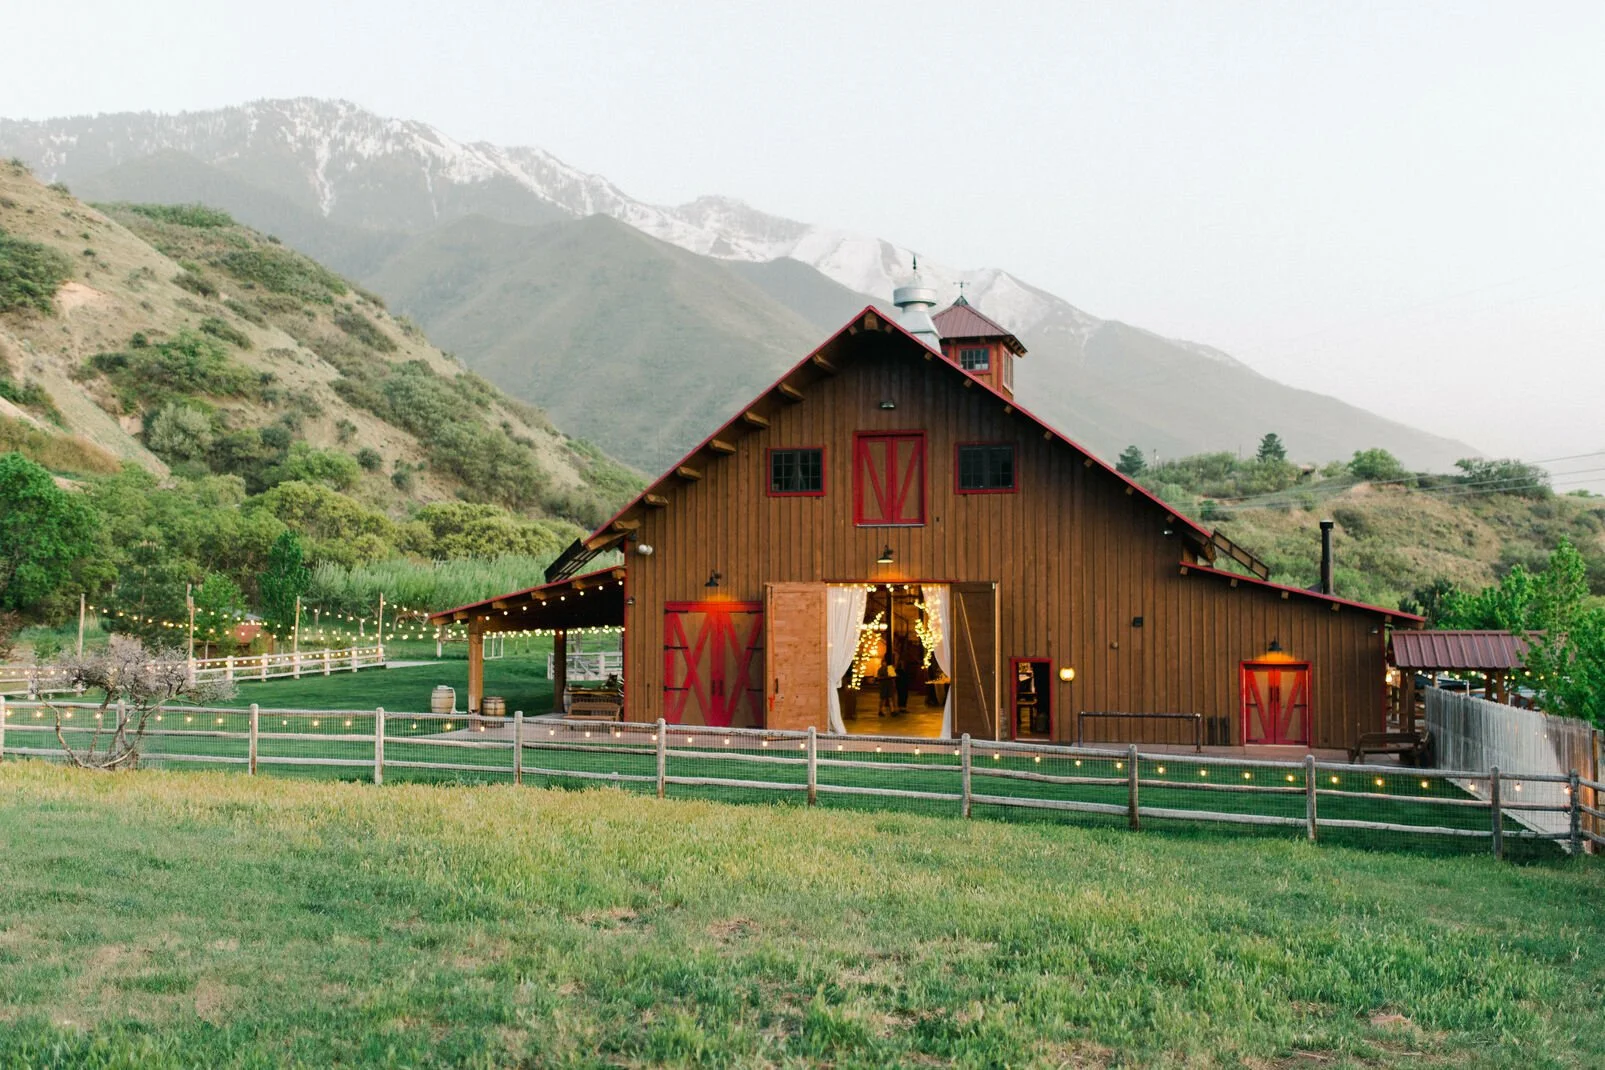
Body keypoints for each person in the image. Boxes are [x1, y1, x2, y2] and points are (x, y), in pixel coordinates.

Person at [876, 652, 897, 716]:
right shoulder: (880, 669)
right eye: (883, 662)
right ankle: (880, 711)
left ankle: (892, 711)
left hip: (889, 685)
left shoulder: (889, 668)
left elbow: (893, 676)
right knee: (883, 699)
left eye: (884, 662)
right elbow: (879, 677)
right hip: (884, 685)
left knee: (890, 698)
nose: (884, 663)